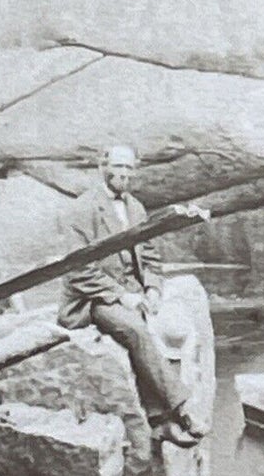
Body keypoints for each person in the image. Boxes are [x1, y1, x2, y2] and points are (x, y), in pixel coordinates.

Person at [58, 145, 205, 450]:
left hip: (133, 291)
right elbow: (77, 271)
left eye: (129, 168)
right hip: (95, 298)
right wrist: (122, 296)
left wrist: (151, 288)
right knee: (135, 330)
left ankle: (160, 423)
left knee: (169, 328)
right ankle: (180, 407)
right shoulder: (81, 209)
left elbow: (151, 256)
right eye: (118, 167)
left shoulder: (136, 208)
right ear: (103, 167)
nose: (124, 174)